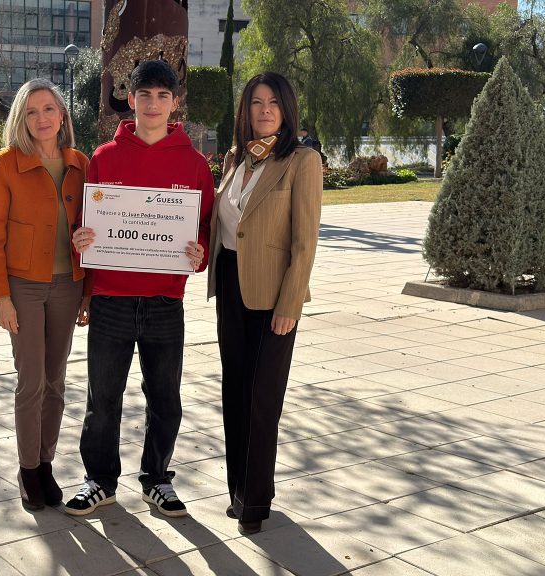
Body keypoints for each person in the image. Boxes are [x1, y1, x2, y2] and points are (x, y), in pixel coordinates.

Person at [66, 60, 214, 518]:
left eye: (162, 96)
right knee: (103, 398)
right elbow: (84, 225)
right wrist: (80, 242)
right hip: (111, 299)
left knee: (165, 398)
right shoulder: (104, 158)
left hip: (165, 301)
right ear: (130, 100)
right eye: (144, 95)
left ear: (175, 103)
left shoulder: (194, 165)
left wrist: (200, 253)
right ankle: (99, 481)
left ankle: (157, 479)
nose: (153, 104)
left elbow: (206, 229)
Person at [207, 72, 322, 535]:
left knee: (262, 398)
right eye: (256, 102)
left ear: (286, 109)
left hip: (274, 294)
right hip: (231, 285)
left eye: (273, 102)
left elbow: (304, 242)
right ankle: (238, 490)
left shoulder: (302, 161)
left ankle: (256, 501)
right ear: (246, 110)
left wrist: (290, 304)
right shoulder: (236, 158)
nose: (265, 110)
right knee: (234, 391)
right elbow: (225, 224)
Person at [0, 78, 89, 511]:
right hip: (23, 287)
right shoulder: (6, 164)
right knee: (32, 381)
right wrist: (1, 297)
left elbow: (95, 227)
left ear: (62, 115)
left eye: (48, 109)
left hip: (69, 285)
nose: (41, 118)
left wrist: (88, 293)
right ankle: (28, 469)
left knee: (56, 381)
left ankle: (46, 463)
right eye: (31, 111)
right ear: (21, 119)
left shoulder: (81, 164)